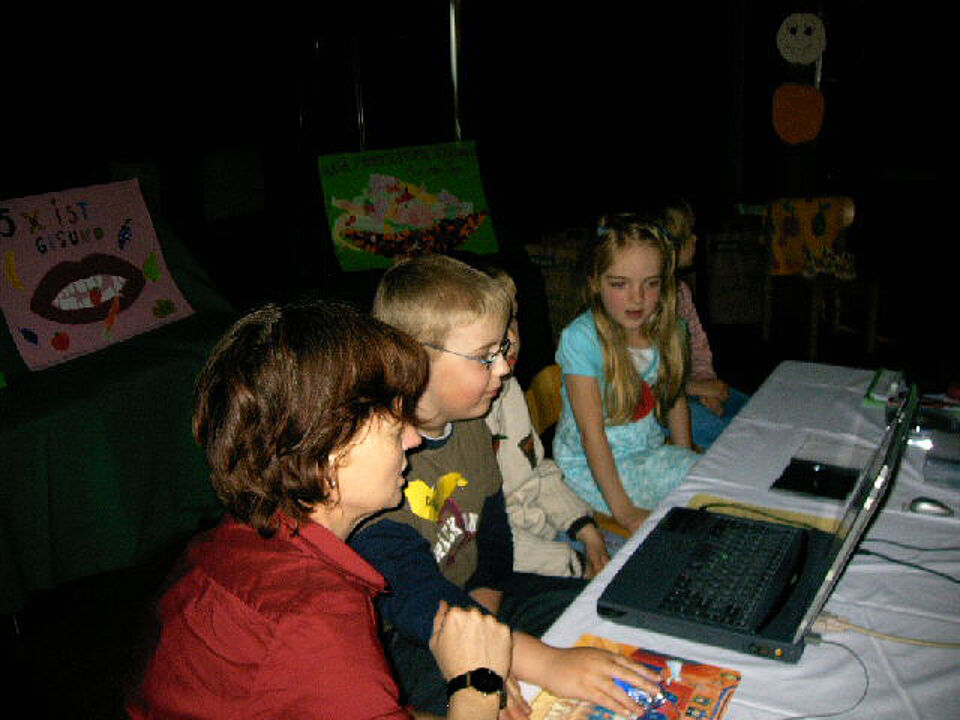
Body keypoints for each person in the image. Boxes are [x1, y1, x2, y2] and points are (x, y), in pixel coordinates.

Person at [127, 300, 513, 720]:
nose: (413, 440)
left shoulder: (241, 539)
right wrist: (477, 682)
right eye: (393, 429)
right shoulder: (312, 618)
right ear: (327, 452)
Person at [350, 254, 662, 718]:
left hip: (480, 603)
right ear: (416, 362)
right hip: (414, 639)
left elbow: (492, 539)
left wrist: (491, 626)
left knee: (607, 616)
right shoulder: (376, 469)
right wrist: (537, 661)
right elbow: (416, 600)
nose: (503, 368)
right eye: (485, 356)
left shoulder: (473, 424)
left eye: (501, 350)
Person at [553, 216, 699, 534]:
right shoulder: (581, 339)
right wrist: (625, 512)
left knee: (704, 477)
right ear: (595, 282)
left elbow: (676, 399)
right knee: (704, 493)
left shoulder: (670, 329)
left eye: (651, 283)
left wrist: (684, 456)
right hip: (589, 468)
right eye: (620, 284)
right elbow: (592, 436)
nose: (637, 298)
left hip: (646, 453)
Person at [477, 262, 611, 579]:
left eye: (512, 318)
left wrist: (586, 530)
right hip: (514, 563)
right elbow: (483, 539)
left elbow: (537, 470)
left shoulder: (508, 389)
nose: (511, 336)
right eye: (494, 326)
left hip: (550, 538)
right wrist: (571, 563)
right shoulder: (465, 425)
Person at [654, 198, 749, 449]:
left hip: (691, 389)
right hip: (660, 404)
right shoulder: (643, 304)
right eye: (689, 235)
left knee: (751, 411)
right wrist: (698, 388)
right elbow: (648, 379)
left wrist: (709, 386)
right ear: (670, 248)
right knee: (729, 437)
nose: (695, 239)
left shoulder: (682, 293)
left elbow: (698, 347)